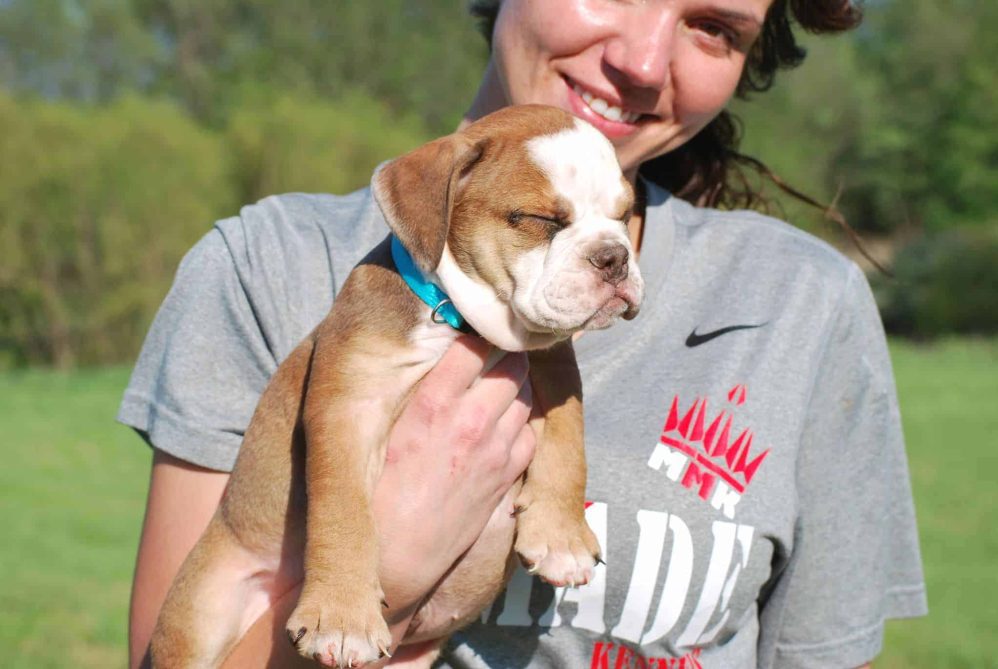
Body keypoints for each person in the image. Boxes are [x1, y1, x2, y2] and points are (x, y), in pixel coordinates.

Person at [120, 1, 927, 667]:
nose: (645, 62)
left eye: (715, 25)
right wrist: (391, 575)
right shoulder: (263, 268)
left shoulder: (805, 306)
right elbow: (189, 629)